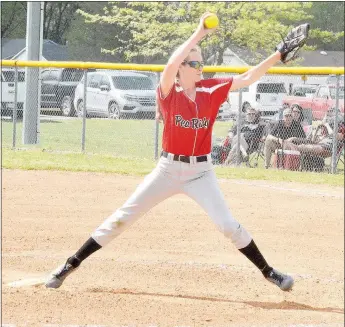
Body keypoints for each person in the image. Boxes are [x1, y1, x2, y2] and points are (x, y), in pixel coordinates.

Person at [45, 13, 303, 292]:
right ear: (182, 66)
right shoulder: (169, 91)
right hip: (167, 171)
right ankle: (70, 264)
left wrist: (278, 54)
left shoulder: (211, 89)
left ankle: (269, 272)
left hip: (200, 173)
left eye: (201, 61)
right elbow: (169, 66)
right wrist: (198, 33)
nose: (201, 66)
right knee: (123, 218)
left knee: (228, 225)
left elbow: (249, 76)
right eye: (195, 62)